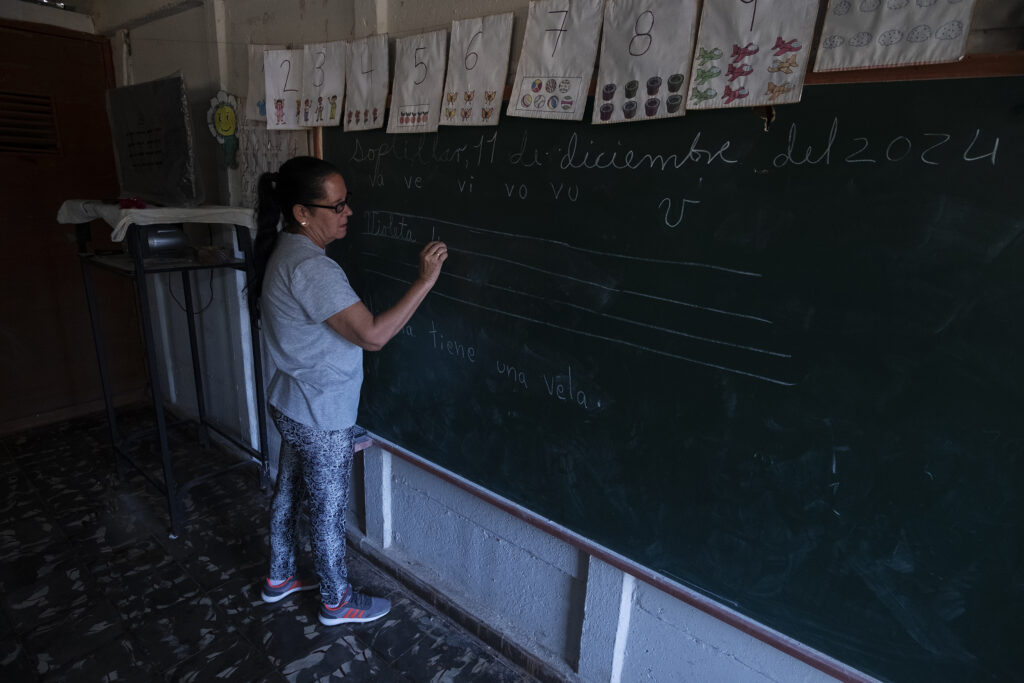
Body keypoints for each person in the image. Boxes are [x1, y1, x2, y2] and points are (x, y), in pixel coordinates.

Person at [249, 156, 447, 625]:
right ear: (302, 212)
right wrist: (425, 280)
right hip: (320, 413)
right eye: (336, 206)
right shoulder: (312, 269)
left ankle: (279, 575)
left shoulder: (285, 249)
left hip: (291, 402)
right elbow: (373, 335)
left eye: (346, 203)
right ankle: (336, 602)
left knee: (289, 491)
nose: (347, 213)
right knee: (328, 510)